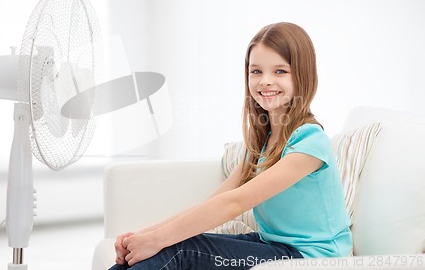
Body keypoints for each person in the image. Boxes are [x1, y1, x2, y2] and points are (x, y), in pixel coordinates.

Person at [109, 22, 352, 269]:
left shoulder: (310, 142)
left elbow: (234, 203)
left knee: (179, 250)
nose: (265, 81)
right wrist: (140, 237)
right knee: (164, 248)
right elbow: (214, 202)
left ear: (303, 75)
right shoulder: (263, 144)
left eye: (280, 71)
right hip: (273, 247)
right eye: (256, 71)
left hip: (312, 259)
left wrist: (156, 239)